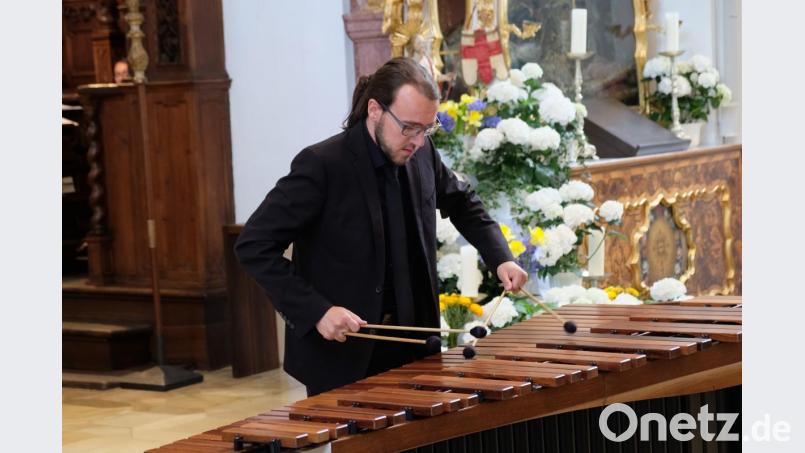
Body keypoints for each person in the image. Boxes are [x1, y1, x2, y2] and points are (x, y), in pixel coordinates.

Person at [235, 57, 527, 396]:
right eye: (409, 127)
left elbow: (463, 203)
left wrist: (500, 257)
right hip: (346, 353)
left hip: (417, 347)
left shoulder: (422, 153)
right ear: (375, 110)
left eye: (426, 129)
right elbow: (253, 245)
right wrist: (318, 311)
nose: (417, 140)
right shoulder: (322, 165)